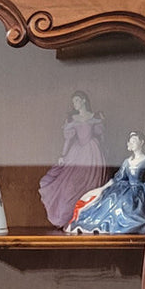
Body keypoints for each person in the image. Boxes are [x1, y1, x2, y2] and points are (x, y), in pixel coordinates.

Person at [66, 131, 145, 235]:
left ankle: (132, 224)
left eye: (134, 141)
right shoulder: (127, 161)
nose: (131, 143)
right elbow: (119, 177)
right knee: (110, 199)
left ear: (141, 143)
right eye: (130, 141)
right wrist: (102, 188)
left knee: (125, 203)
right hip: (125, 188)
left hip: (138, 191)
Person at [38, 92, 108, 228]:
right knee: (69, 186)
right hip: (77, 153)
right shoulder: (72, 119)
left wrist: (103, 124)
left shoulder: (95, 117)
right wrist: (63, 156)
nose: (74, 104)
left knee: (91, 186)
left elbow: (102, 137)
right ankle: (69, 219)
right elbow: (68, 139)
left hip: (92, 153)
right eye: (73, 101)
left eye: (76, 100)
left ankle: (86, 219)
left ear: (83, 101)